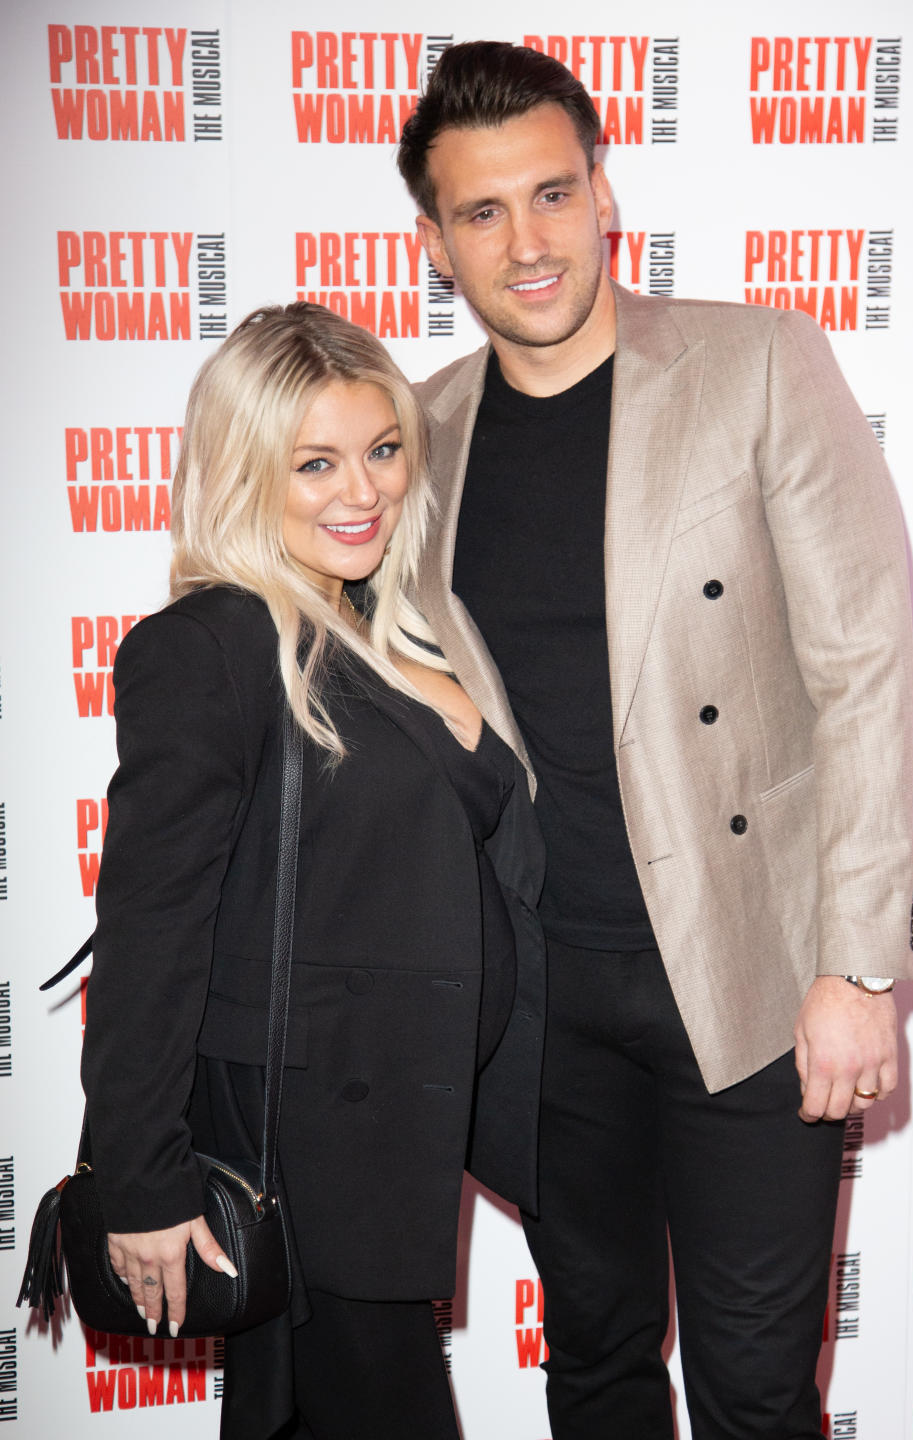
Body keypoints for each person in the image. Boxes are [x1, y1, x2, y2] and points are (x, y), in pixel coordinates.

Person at [396, 40, 913, 1440]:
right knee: (598, 1371)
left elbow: (868, 664)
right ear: (434, 239)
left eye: (554, 192)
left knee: (755, 1395)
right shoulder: (421, 437)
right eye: (484, 211)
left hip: (748, 979)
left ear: (606, 188)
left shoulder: (755, 365)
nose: (530, 239)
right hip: (547, 1000)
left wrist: (858, 965)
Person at [79, 301, 546, 1440]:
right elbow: (150, 926)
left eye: (384, 450)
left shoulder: (394, 631)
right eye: (316, 463)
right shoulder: (213, 647)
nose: (364, 491)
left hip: (412, 1119)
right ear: (245, 474)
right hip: (309, 1132)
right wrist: (138, 1181)